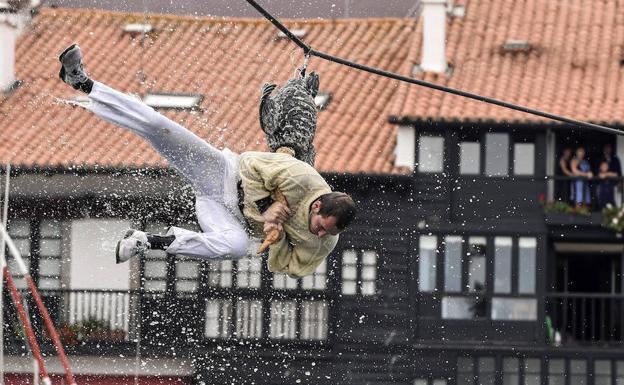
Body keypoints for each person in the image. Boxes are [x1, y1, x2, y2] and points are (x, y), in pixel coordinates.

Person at [57, 44, 357, 278]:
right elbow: (250, 163)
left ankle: (147, 241)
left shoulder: (323, 243)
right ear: (317, 205)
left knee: (237, 247)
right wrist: (268, 206)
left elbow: (285, 267)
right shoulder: (301, 177)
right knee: (157, 126)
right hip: (223, 176)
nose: (319, 234)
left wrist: (276, 235)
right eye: (321, 226)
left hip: (229, 218)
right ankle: (83, 82)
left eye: (327, 233)